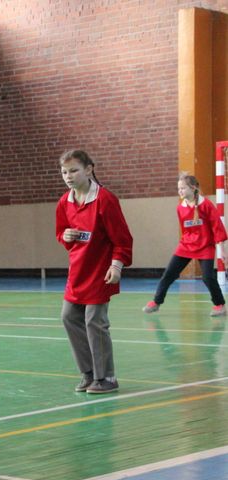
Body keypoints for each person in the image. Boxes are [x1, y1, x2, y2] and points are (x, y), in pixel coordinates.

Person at [56, 150, 133, 395]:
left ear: (89, 170)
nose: (68, 176)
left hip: (101, 272)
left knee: (95, 322)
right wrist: (65, 236)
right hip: (77, 272)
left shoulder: (105, 200)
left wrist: (116, 266)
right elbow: (62, 234)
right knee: (69, 317)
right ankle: (89, 373)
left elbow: (123, 239)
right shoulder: (64, 203)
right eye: (64, 171)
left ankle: (106, 376)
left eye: (74, 170)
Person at [143, 173, 227, 317]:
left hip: (205, 246)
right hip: (186, 245)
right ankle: (156, 302)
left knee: (208, 277)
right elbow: (185, 230)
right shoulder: (180, 208)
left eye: (183, 188)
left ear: (192, 188)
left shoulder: (206, 205)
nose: (180, 191)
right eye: (178, 188)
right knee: (169, 274)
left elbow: (217, 227)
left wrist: (222, 249)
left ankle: (219, 304)